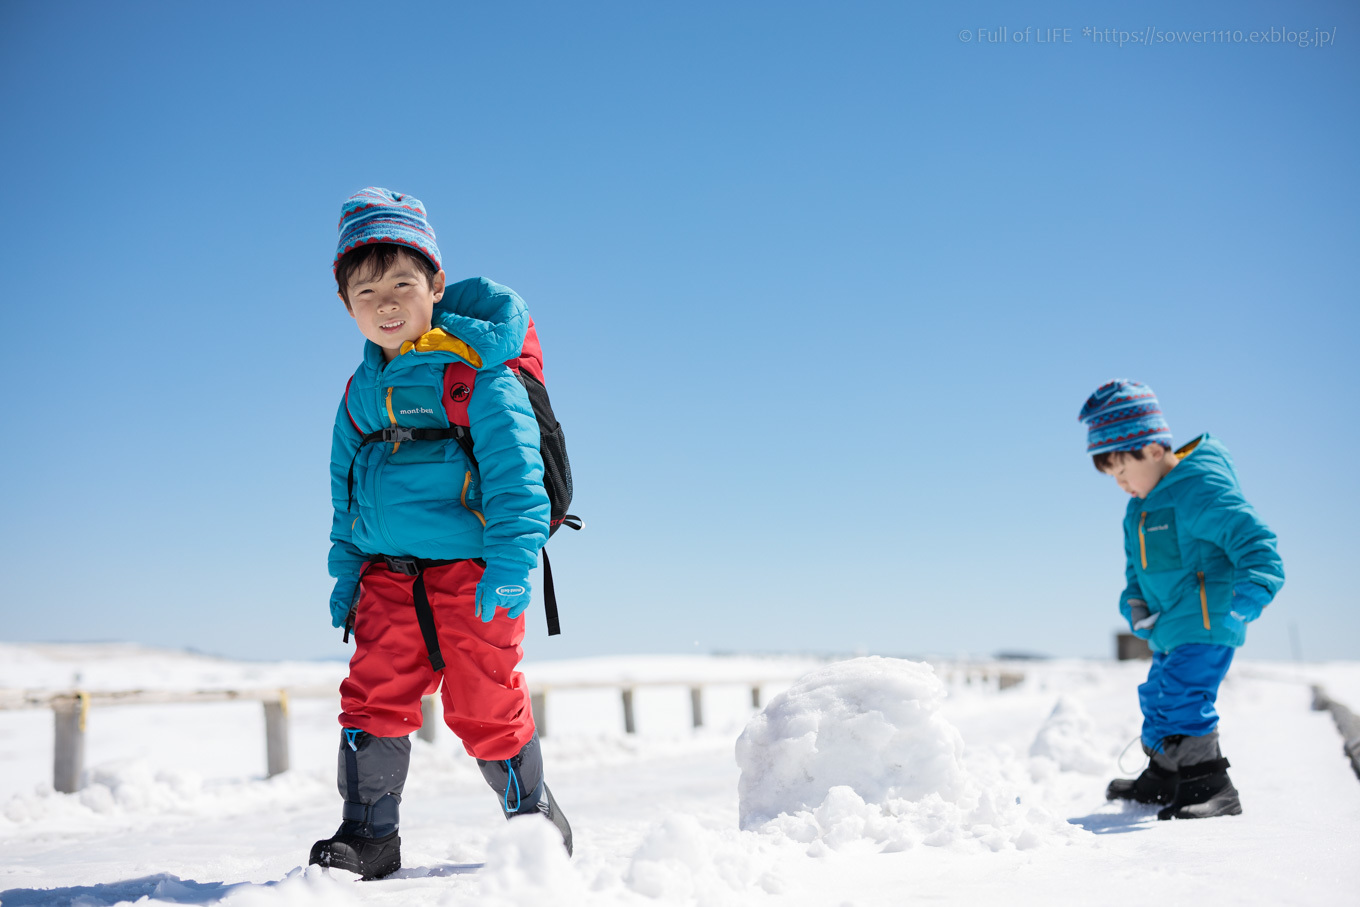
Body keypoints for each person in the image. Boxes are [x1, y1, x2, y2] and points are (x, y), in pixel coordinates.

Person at [309, 187, 571, 879]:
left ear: (436, 285)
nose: (385, 302)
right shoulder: (358, 392)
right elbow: (346, 489)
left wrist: (513, 564)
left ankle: (532, 824)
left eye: (402, 282)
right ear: (347, 305)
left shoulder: (474, 375)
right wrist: (346, 573)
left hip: (473, 573)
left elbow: (518, 480)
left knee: (484, 701)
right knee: (373, 693)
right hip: (388, 575)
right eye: (366, 290)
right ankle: (368, 834)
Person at [1079, 380, 1284, 820]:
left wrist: (1252, 591)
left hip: (1209, 621)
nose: (1120, 484)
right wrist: (1133, 603)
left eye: (1121, 472)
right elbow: (1136, 571)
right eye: (1111, 477)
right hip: (1171, 625)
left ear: (1152, 450)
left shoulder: (1199, 488)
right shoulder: (1140, 507)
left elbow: (1257, 544)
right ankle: (1164, 776)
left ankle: (1210, 785)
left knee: (1183, 698)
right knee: (1157, 696)